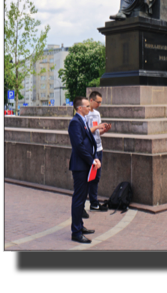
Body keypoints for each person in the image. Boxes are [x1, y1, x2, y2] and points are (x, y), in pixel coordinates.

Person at [68, 96, 101, 244]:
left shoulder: (83, 121)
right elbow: (79, 146)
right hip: (80, 167)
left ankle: (79, 226)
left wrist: (94, 157)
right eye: (87, 106)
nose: (89, 108)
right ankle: (76, 232)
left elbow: (90, 141)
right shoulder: (75, 123)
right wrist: (91, 160)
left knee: (82, 199)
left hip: (86, 165)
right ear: (80, 108)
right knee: (78, 199)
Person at [84, 91, 111, 212]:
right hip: (89, 149)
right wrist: (96, 127)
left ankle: (94, 203)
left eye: (101, 102)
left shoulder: (97, 114)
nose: (99, 104)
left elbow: (97, 133)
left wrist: (104, 130)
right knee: (86, 177)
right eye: (98, 102)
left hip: (98, 148)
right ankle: (81, 206)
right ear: (91, 100)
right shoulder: (84, 114)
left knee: (96, 177)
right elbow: (84, 133)